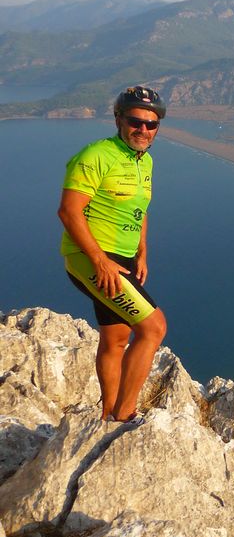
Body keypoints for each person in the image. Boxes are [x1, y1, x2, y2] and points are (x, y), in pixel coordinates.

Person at [58, 86, 169, 423]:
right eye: (136, 121)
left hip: (120, 257)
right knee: (153, 328)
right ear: (119, 119)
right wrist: (99, 261)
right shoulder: (96, 155)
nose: (144, 130)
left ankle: (106, 415)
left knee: (117, 337)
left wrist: (142, 252)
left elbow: (141, 208)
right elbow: (69, 212)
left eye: (152, 124)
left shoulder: (144, 161)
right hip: (90, 256)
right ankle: (124, 414)